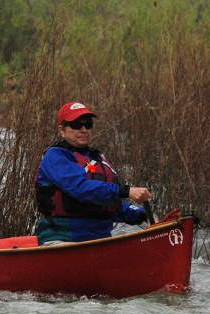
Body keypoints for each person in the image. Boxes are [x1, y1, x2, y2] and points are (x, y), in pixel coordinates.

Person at [34, 101, 152, 244]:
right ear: (62, 130)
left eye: (88, 124)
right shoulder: (56, 157)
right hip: (63, 236)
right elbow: (81, 188)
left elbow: (110, 203)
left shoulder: (96, 158)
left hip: (98, 234)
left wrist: (138, 213)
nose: (84, 129)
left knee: (144, 222)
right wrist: (126, 191)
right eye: (76, 125)